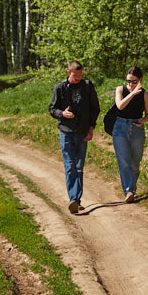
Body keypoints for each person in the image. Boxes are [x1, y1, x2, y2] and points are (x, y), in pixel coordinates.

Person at [49, 60, 100, 213]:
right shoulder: (60, 88)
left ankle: (76, 200)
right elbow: (52, 108)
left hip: (83, 132)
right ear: (68, 72)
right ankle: (73, 199)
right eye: (75, 75)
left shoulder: (87, 86)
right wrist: (62, 113)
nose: (78, 78)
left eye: (80, 75)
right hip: (66, 132)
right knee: (70, 166)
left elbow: (95, 109)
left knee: (79, 167)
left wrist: (91, 129)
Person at [111, 66, 148, 203]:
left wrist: (143, 120)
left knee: (135, 162)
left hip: (136, 128)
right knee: (124, 162)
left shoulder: (145, 95)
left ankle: (132, 189)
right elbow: (120, 106)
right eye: (128, 81)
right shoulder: (120, 90)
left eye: (134, 82)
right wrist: (133, 93)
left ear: (140, 80)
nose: (130, 84)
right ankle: (128, 191)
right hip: (120, 128)